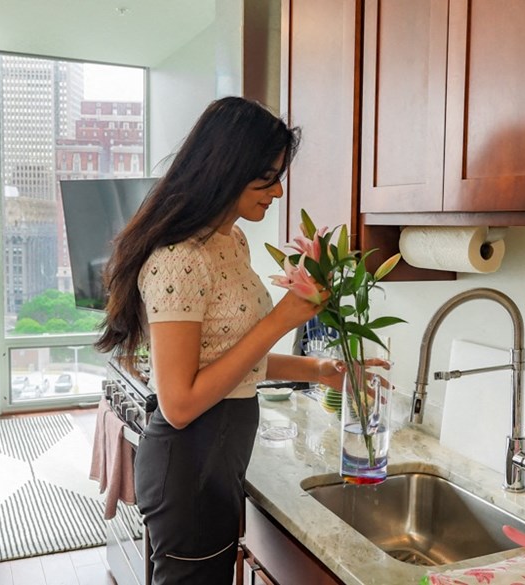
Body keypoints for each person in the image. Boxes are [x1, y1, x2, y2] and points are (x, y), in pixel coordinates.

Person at [95, 96, 346, 584]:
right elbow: (181, 403)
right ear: (228, 167)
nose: (277, 192)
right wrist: (282, 319)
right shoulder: (180, 259)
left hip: (223, 450)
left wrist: (318, 371)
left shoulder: (231, 241)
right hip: (191, 460)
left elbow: (231, 358)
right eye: (268, 176)